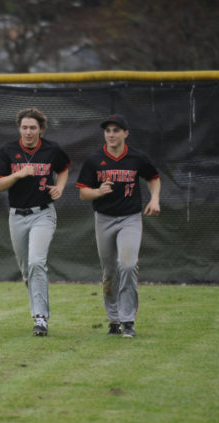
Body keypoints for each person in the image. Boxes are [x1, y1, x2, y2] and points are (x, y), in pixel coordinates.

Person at [75, 113, 161, 338]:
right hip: (103, 219)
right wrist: (98, 191)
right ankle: (114, 320)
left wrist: (155, 199)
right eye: (108, 130)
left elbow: (153, 178)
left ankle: (128, 320)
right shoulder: (95, 160)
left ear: (125, 133)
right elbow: (83, 193)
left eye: (116, 130)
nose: (111, 134)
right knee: (110, 273)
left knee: (128, 265)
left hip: (130, 218)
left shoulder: (136, 157)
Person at [0, 107, 71, 336]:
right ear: (19, 128)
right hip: (17, 216)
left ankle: (40, 318)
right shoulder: (8, 151)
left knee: (37, 263)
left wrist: (60, 187)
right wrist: (18, 174)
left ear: (41, 129)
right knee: (27, 270)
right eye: (24, 127)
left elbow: (64, 169)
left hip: (42, 213)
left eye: (33, 127)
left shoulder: (52, 149)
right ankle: (38, 311)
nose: (28, 131)